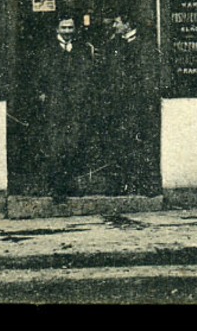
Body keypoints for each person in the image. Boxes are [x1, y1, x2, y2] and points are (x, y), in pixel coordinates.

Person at [37, 16, 94, 203]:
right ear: (57, 29)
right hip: (55, 106)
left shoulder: (82, 50)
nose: (68, 31)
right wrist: (44, 95)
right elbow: (40, 77)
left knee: (73, 145)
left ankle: (70, 185)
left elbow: (87, 75)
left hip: (76, 106)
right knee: (55, 147)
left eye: (71, 27)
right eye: (64, 27)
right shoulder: (47, 50)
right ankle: (56, 188)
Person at [103, 13, 161, 196]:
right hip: (119, 104)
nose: (114, 26)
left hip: (139, 104)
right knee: (120, 143)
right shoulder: (114, 45)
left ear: (128, 24)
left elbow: (148, 76)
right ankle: (120, 184)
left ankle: (145, 185)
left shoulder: (145, 44)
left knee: (142, 144)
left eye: (117, 22)